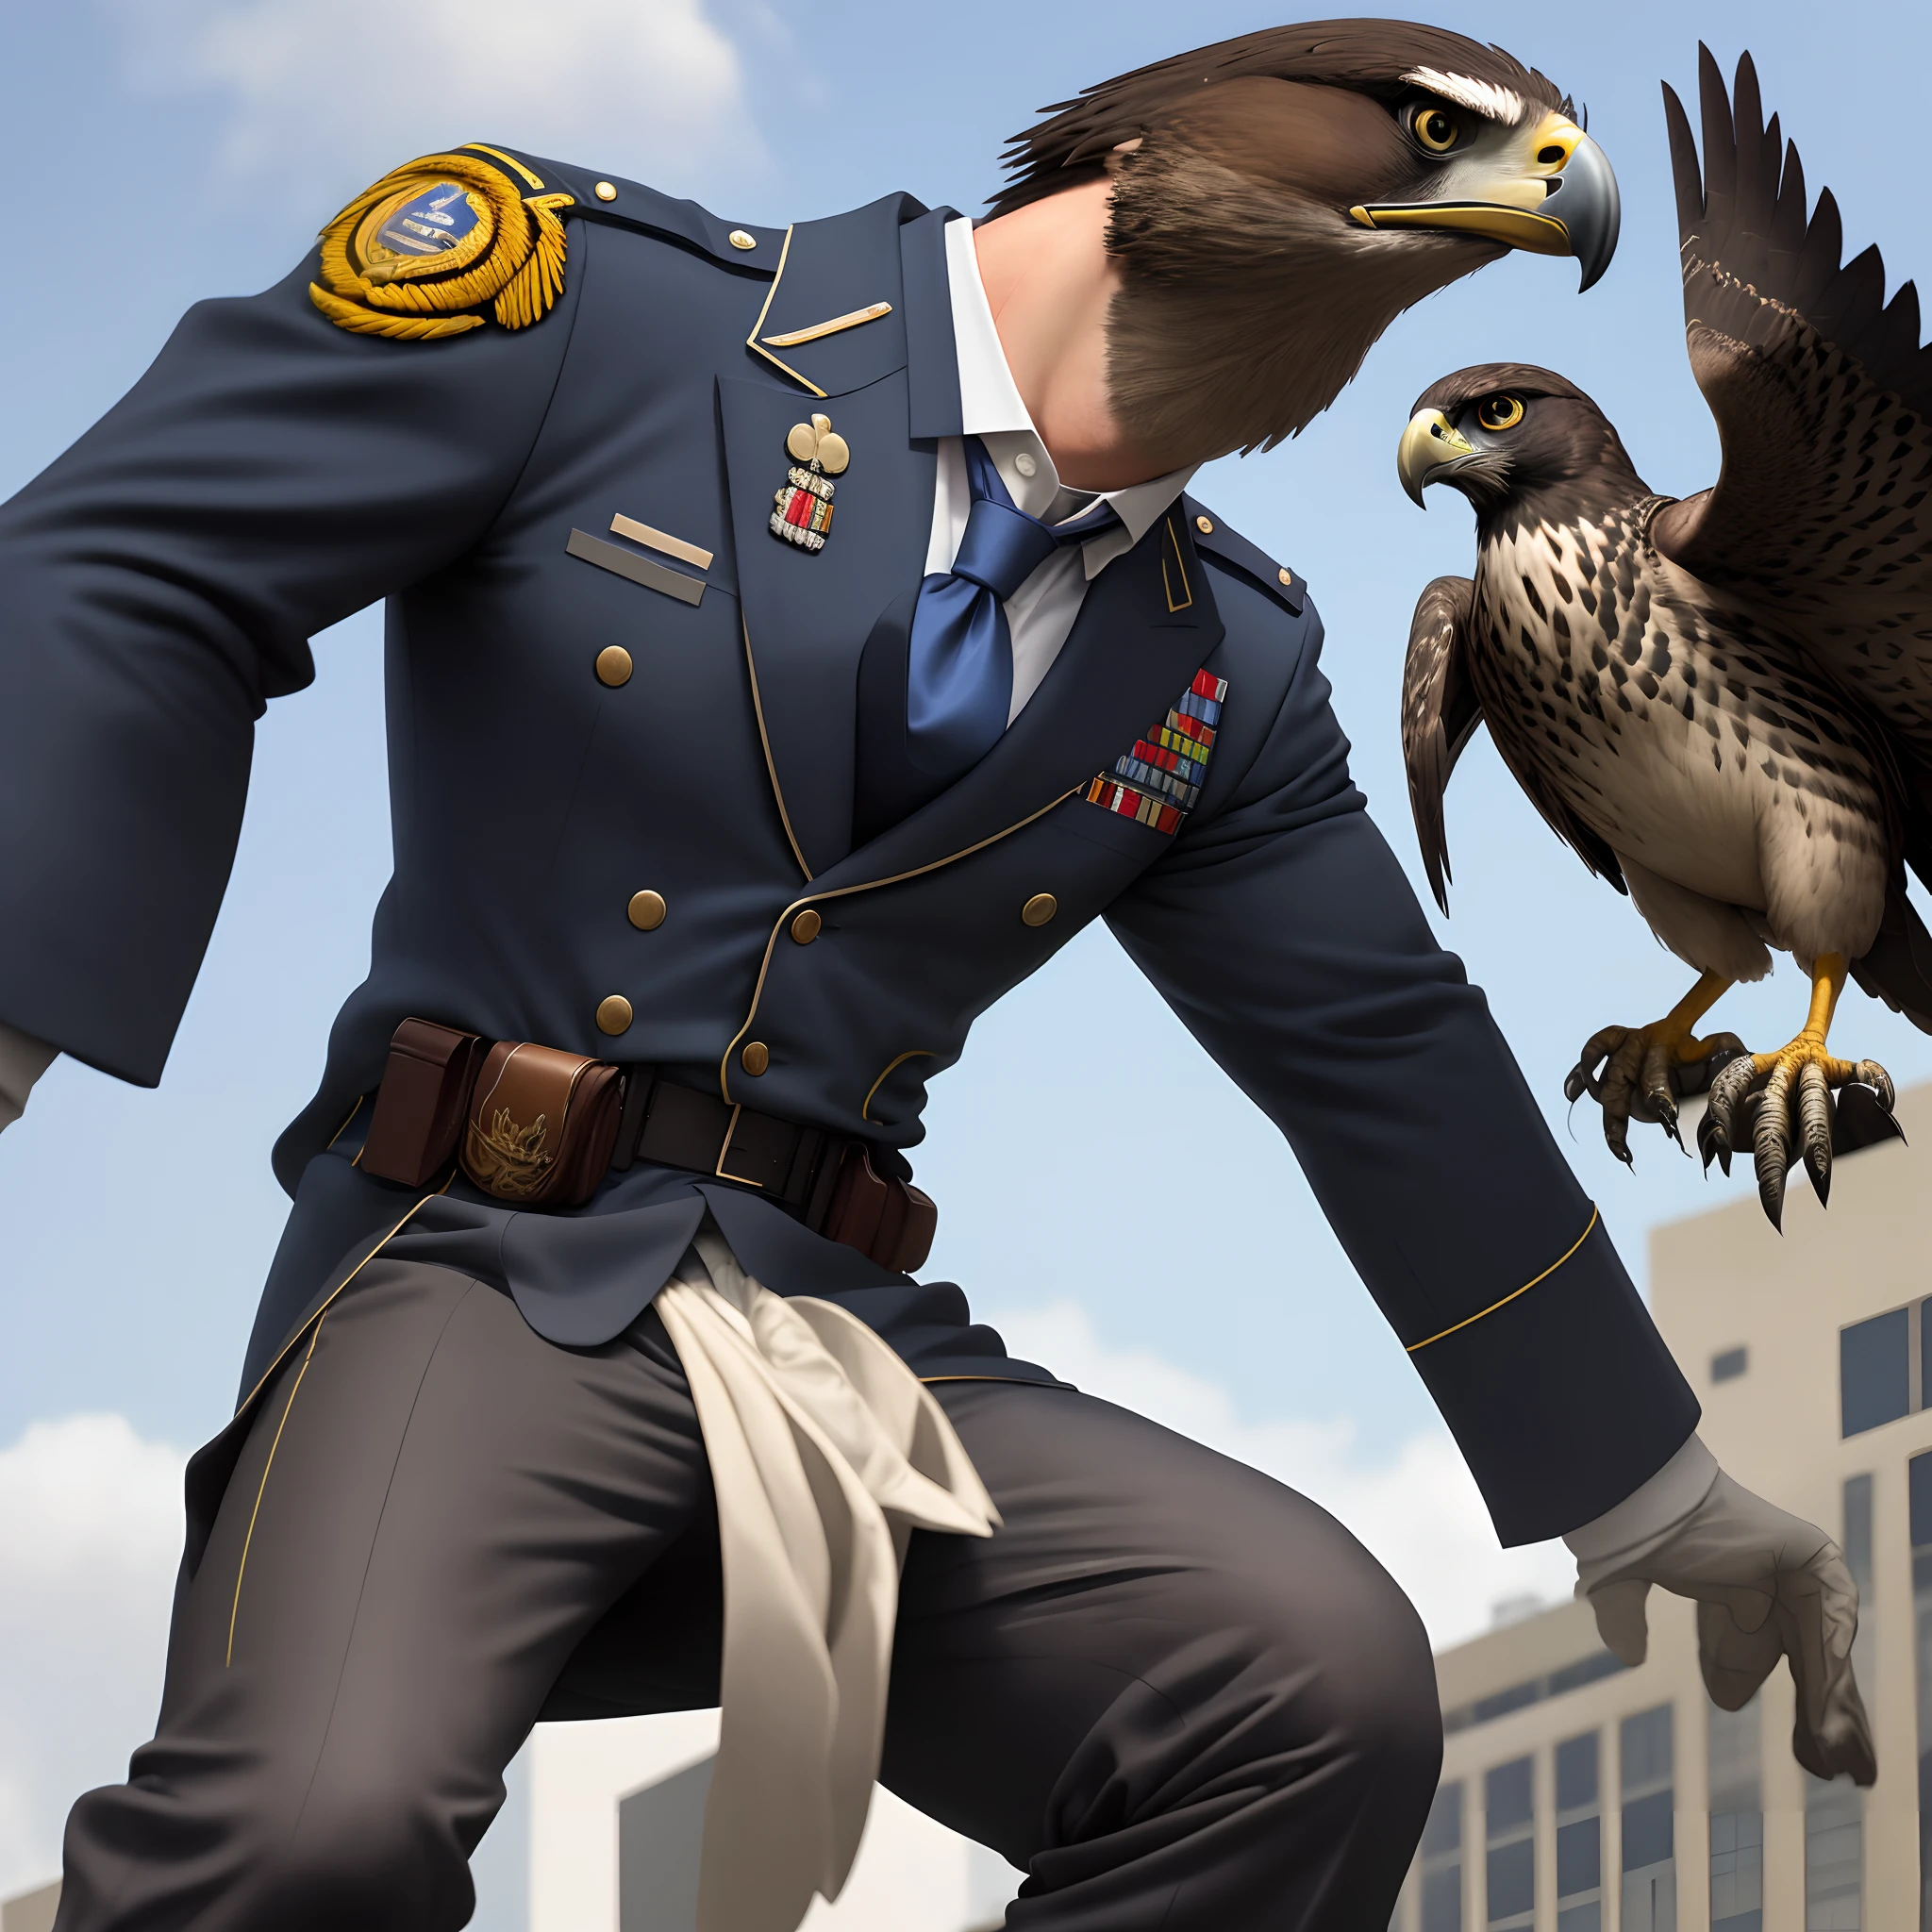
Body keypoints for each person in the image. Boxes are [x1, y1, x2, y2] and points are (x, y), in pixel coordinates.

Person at [0, 21, 1872, 1932]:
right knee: (307, 1829)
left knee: (1310, 1685)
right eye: (1433, 138)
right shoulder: (601, 315)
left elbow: (1378, 1048)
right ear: (1150, 153)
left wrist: (1642, 1485)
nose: (1533, 187)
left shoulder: (1218, 653)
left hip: (839, 1335)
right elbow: (140, 559)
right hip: (475, 1270)